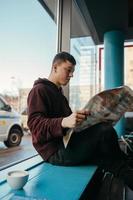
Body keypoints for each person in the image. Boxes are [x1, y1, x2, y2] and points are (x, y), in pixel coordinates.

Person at [27, 51, 133, 190]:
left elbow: (70, 127)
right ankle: (125, 164)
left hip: (67, 144)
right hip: (55, 152)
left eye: (73, 71)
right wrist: (64, 122)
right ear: (55, 68)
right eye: (68, 70)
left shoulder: (59, 95)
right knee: (105, 135)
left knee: (106, 144)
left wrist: (84, 118)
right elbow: (35, 126)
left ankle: (125, 165)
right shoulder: (39, 90)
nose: (71, 75)